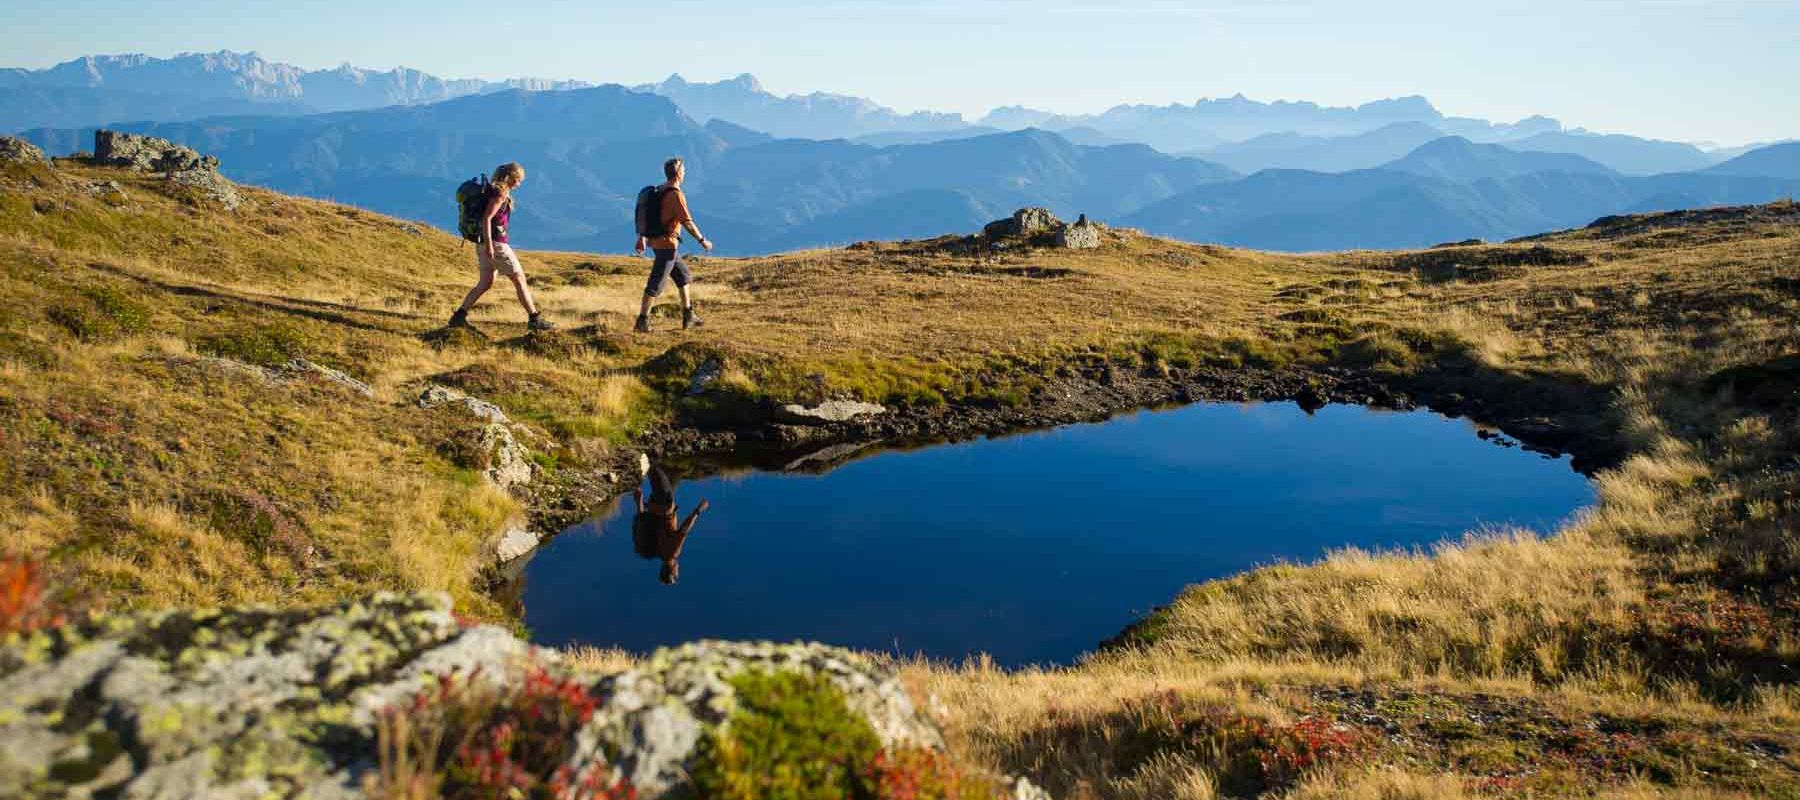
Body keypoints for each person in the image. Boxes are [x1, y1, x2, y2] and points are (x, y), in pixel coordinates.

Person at [449, 162, 555, 331]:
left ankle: (459, 316)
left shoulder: (492, 190)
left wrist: (486, 244)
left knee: (485, 283)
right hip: (496, 244)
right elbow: (487, 218)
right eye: (518, 179)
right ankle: (534, 318)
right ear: (510, 177)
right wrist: (491, 245)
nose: (519, 183)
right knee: (519, 278)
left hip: (482, 243)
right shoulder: (500, 193)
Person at [633, 157, 713, 333]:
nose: (685, 173)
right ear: (678, 174)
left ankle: (688, 315)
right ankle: (642, 322)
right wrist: (702, 240)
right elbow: (687, 222)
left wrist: (642, 237)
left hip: (659, 243)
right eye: (684, 170)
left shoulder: (658, 190)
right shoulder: (675, 194)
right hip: (667, 246)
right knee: (655, 285)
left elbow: (648, 216)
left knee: (683, 276)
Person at [631, 464, 710, 585]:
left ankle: (636, 459)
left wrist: (699, 510)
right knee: (672, 475)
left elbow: (684, 529)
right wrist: (639, 503)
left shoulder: (673, 552)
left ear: (672, 570)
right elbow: (642, 523)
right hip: (655, 507)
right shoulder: (655, 551)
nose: (678, 569)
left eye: (677, 572)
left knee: (652, 467)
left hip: (665, 503)